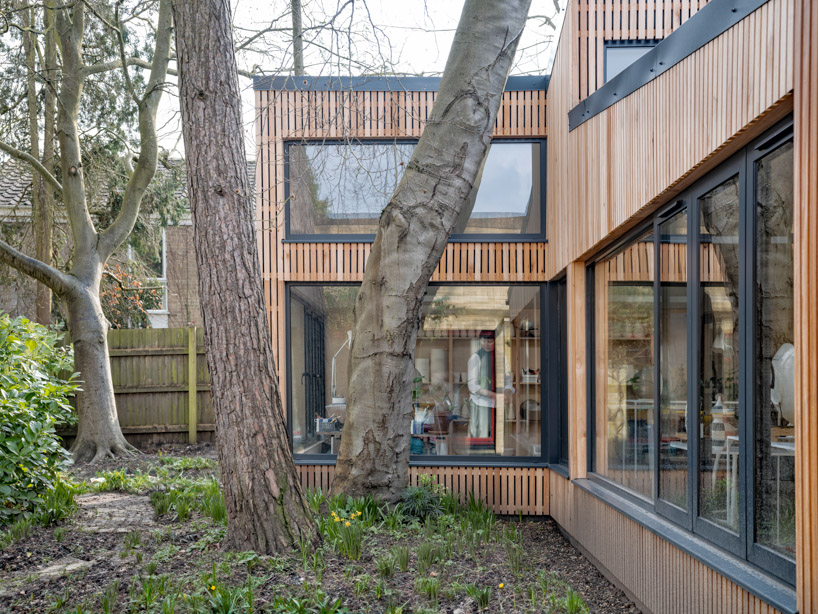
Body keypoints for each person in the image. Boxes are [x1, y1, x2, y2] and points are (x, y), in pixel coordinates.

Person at [467, 331, 496, 439]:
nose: (487, 344)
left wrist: (506, 392)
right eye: (484, 341)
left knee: (495, 440)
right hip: (481, 404)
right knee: (481, 438)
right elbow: (473, 387)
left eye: (490, 341)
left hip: (497, 404)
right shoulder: (476, 357)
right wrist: (496, 395)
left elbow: (507, 381)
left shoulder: (500, 357)